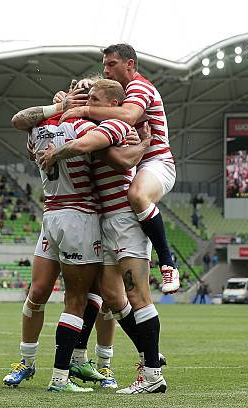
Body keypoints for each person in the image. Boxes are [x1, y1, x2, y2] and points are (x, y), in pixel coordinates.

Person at [42, 79, 167, 394]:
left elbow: (118, 159)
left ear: (112, 104)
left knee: (138, 296)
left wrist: (56, 152)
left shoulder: (113, 124)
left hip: (124, 218)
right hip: (105, 220)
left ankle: (152, 374)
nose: (90, 103)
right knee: (112, 297)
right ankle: (149, 353)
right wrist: (65, 102)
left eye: (95, 99)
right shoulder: (93, 123)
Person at [3, 82, 130, 392]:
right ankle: (39, 365)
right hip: (74, 216)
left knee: (92, 295)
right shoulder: (86, 127)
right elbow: (121, 158)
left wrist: (60, 109)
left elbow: (19, 120)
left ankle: (98, 364)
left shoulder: (43, 128)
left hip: (71, 216)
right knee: (59, 293)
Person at [59, 43, 179, 294]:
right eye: (104, 65)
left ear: (130, 64)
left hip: (157, 162)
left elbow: (129, 115)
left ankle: (168, 263)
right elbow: (89, 96)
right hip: (133, 164)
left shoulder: (139, 87)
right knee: (108, 296)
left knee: (137, 195)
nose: (106, 70)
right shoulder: (116, 93)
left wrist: (84, 109)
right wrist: (65, 101)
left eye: (111, 64)